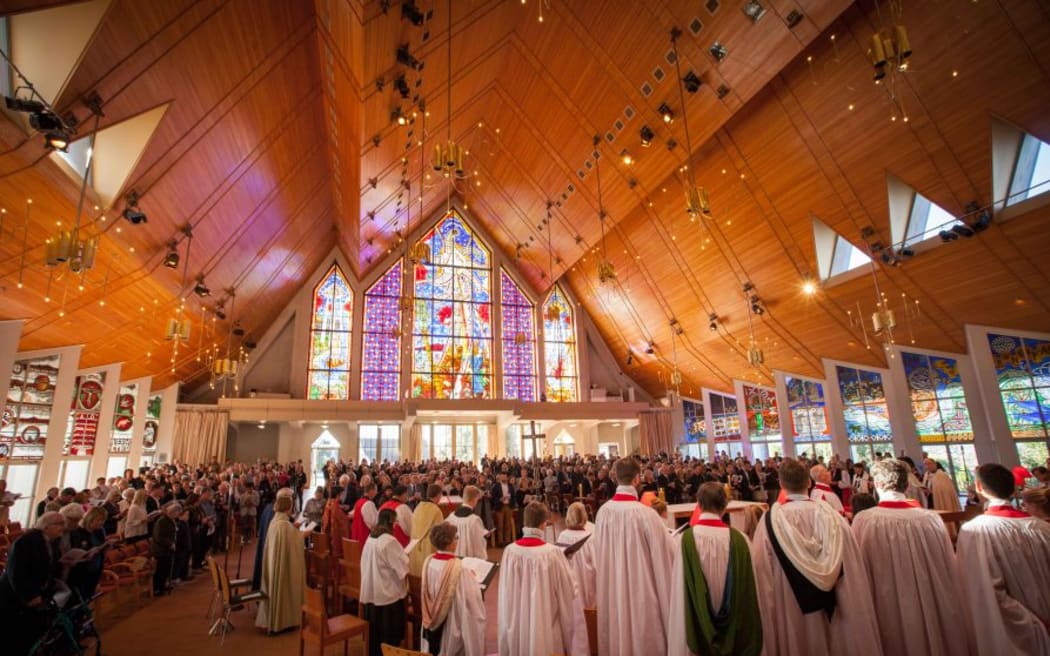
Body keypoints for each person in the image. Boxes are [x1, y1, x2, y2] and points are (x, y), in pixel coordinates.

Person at [750, 458, 882, 655]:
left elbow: (761, 571)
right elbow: (853, 564)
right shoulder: (834, 517)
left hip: (792, 604)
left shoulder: (771, 521)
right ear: (809, 483)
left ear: (781, 484)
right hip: (837, 605)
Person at [852, 459, 971, 655]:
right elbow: (949, 565)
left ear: (878, 484)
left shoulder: (865, 520)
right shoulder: (931, 519)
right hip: (930, 600)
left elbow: (858, 568)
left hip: (885, 599)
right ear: (907, 485)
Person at [958, 463, 1050, 655]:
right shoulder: (1042, 527)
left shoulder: (975, 530)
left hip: (1012, 629)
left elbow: (982, 588)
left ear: (979, 488)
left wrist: (1030, 622)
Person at [592, 457, 674, 656]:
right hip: (642, 591)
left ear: (615, 477)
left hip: (613, 589)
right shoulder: (646, 515)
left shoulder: (603, 513)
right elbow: (666, 556)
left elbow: (598, 554)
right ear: (638, 479)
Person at [668, 482, 761, 656]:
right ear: (725, 506)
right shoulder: (741, 540)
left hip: (697, 623)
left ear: (699, 504)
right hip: (736, 625)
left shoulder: (685, 540)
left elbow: (680, 589)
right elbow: (750, 588)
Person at [497, 501, 579, 656]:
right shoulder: (552, 553)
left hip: (517, 621)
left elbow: (505, 592)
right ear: (544, 523)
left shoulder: (510, 551)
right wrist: (567, 563)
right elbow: (569, 589)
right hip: (544, 622)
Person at [0, 512, 65, 655]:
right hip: (15, 597)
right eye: (59, 524)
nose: (63, 527)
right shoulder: (26, 541)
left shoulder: (52, 542)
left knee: (31, 635)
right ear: (46, 526)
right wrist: (29, 596)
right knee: (12, 637)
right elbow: (16, 572)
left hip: (37, 595)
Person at [420, 522, 486, 656]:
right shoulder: (459, 569)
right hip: (451, 623)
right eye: (456, 537)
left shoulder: (428, 561)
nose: (457, 540)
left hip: (430, 617)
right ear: (449, 542)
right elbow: (471, 602)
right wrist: (474, 583)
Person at [360, 508, 408, 656]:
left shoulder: (371, 537)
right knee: (388, 635)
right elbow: (402, 568)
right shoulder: (389, 541)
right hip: (387, 595)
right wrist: (406, 558)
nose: (396, 525)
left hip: (372, 591)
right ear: (390, 522)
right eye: (395, 522)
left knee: (375, 635)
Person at [256, 495, 305, 634]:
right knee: (284, 585)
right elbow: (295, 539)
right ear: (288, 508)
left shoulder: (275, 521)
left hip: (273, 564)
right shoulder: (283, 525)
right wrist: (304, 534)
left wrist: (293, 528)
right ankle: (281, 621)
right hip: (281, 566)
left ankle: (274, 618)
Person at [409, 484, 446, 576]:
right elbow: (440, 533)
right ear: (438, 495)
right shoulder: (436, 510)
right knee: (428, 574)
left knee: (418, 571)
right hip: (429, 547)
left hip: (415, 545)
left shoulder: (418, 507)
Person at [446, 485, 488, 559]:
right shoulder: (474, 520)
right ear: (475, 499)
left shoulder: (451, 516)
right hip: (469, 560)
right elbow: (478, 544)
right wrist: (483, 558)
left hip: (454, 557)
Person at [151, 503, 180, 596]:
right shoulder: (162, 521)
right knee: (160, 570)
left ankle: (163, 585)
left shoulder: (170, 520)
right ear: (172, 512)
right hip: (161, 550)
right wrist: (170, 543)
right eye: (177, 513)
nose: (177, 515)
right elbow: (159, 536)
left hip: (167, 549)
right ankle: (157, 589)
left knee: (166, 569)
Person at [491, 473, 517, 546]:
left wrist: (511, 500)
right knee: (500, 524)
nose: (503, 478)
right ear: (500, 477)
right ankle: (500, 541)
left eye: (505, 477)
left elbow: (514, 496)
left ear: (507, 477)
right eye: (502, 476)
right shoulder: (496, 486)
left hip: (509, 506)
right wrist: (500, 499)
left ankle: (507, 540)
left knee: (508, 524)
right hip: (500, 506)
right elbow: (493, 497)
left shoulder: (510, 486)